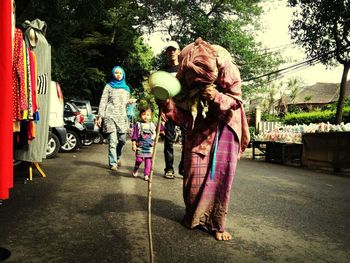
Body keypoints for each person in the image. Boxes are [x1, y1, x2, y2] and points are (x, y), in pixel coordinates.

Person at [157, 38, 250, 241]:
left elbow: (236, 100)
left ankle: (217, 224)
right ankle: (193, 216)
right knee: (193, 174)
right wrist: (166, 104)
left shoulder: (224, 63)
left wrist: (216, 96)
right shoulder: (182, 75)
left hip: (226, 123)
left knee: (220, 177)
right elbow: (181, 116)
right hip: (198, 125)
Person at [97, 65, 130, 171]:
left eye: (120, 73)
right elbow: (103, 101)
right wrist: (100, 116)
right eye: (116, 73)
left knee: (122, 140)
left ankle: (118, 156)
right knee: (112, 141)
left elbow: (125, 103)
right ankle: (113, 163)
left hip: (122, 117)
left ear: (123, 75)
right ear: (113, 74)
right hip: (110, 116)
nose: (118, 75)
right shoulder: (108, 86)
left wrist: (130, 102)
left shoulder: (126, 88)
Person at [161, 40, 184, 179]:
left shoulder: (184, 69)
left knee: (186, 140)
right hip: (169, 109)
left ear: (179, 51)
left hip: (183, 108)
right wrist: (162, 110)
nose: (172, 52)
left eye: (174, 50)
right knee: (168, 141)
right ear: (166, 53)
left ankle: (184, 168)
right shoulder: (163, 71)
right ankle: (169, 169)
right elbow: (159, 92)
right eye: (169, 50)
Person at [131, 108, 156, 181]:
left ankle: (146, 174)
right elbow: (135, 135)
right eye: (143, 114)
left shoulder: (153, 125)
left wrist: (163, 122)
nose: (145, 116)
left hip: (149, 147)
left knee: (148, 162)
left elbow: (161, 128)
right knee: (139, 160)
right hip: (141, 146)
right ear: (140, 115)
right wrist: (133, 143)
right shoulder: (138, 125)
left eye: (147, 115)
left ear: (151, 116)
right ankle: (136, 169)